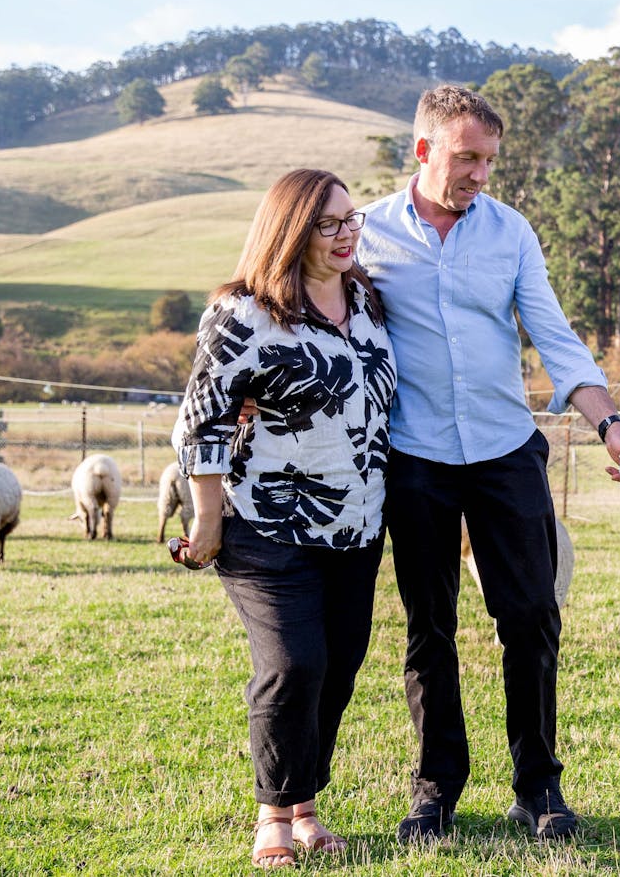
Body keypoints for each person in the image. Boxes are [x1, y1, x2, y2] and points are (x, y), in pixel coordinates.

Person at [356, 85, 620, 843]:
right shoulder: (367, 236)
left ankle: (538, 786)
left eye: (489, 160)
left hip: (505, 449)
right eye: (467, 158)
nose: (480, 174)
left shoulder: (510, 231)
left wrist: (608, 422)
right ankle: (436, 791)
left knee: (531, 617)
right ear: (423, 151)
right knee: (430, 628)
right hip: (414, 455)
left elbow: (553, 334)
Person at [173, 168, 396, 868]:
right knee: (293, 664)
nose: (345, 235)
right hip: (266, 522)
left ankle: (306, 807)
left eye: (351, 220)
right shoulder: (243, 314)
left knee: (338, 667)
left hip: (359, 526)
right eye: (327, 224)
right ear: (289, 229)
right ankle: (273, 814)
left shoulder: (367, 302)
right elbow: (201, 422)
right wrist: (207, 519)